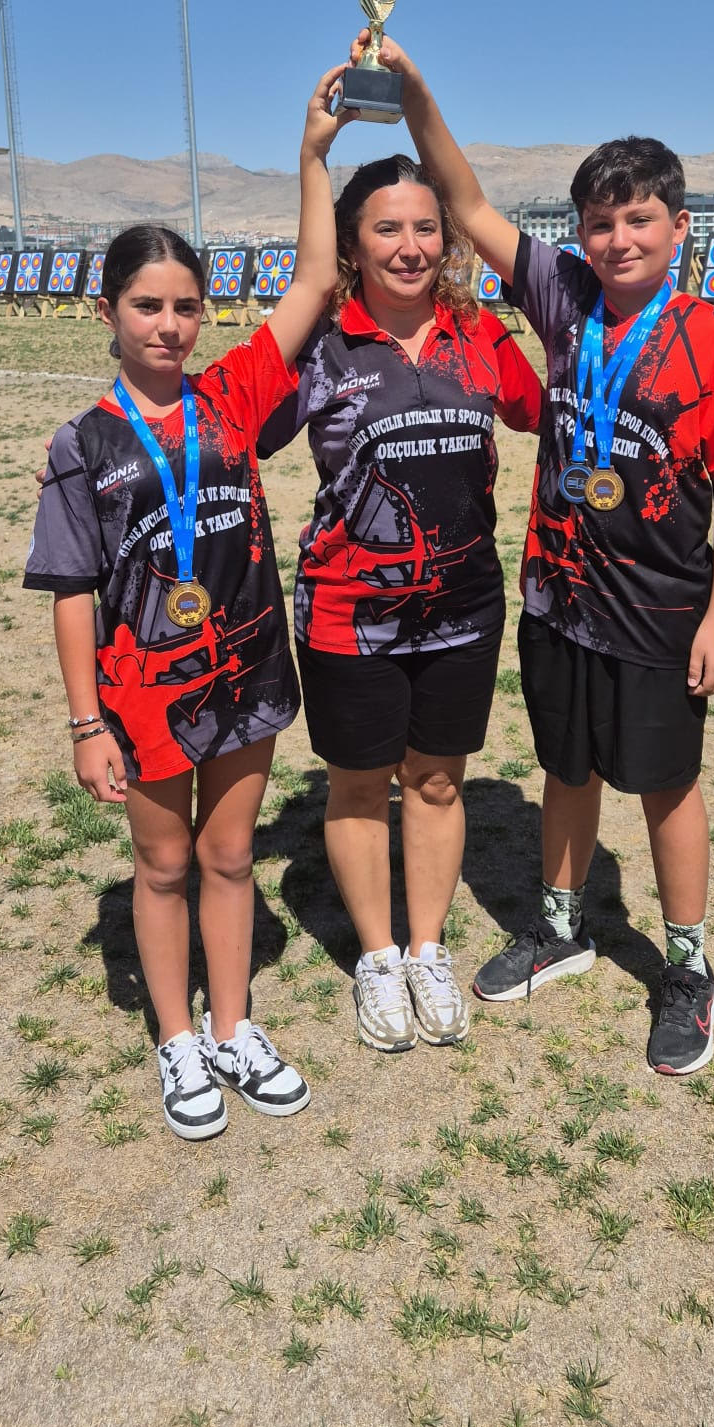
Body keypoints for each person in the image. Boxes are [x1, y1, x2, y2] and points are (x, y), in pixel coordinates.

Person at [361, 31, 714, 1076]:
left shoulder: (712, 337)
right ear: (579, 232)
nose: (619, 239)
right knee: (565, 769)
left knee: (666, 786)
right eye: (600, 222)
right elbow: (465, 198)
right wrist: (413, 92)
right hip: (559, 597)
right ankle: (561, 925)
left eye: (639, 219)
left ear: (679, 226)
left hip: (661, 608)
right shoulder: (562, 296)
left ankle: (688, 967)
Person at [23, 66, 347, 1139]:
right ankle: (176, 1038)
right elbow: (71, 591)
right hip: (146, 689)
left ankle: (234, 1026)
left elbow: (314, 278)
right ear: (107, 311)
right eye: (147, 306)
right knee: (162, 864)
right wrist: (86, 724)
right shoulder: (83, 443)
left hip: (245, 668)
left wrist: (312, 154)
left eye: (186, 307)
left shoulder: (235, 395)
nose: (169, 326)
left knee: (229, 855)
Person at [257, 147, 542, 1055]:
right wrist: (96, 465)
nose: (410, 246)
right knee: (356, 786)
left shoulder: (478, 333)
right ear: (352, 244)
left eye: (426, 227)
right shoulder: (322, 342)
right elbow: (232, 428)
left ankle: (427, 949)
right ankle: (378, 958)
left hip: (464, 608)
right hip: (351, 610)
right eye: (388, 229)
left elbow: (547, 410)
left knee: (437, 780)